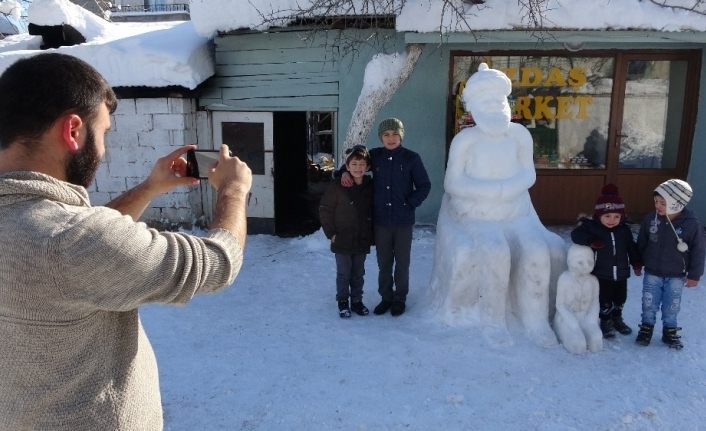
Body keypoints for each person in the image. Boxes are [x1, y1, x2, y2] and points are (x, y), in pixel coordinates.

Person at [0, 53, 252, 430]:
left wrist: (150, 187)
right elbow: (218, 261)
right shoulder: (69, 242)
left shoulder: (53, 233)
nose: (104, 150)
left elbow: (87, 237)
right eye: (103, 133)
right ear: (73, 131)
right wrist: (234, 190)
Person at [428, 63, 565, 347]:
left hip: (517, 212)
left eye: (500, 101)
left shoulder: (520, 135)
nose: (495, 107)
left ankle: (536, 320)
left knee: (538, 252)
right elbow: (452, 183)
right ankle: (493, 321)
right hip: (476, 214)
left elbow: (528, 174)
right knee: (495, 252)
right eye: (487, 102)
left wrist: (506, 191)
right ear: (475, 108)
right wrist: (493, 192)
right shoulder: (465, 141)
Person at [342, 118, 431, 316]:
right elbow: (355, 162)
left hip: (403, 221)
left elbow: (424, 186)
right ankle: (386, 297)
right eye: (386, 135)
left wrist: (410, 203)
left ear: (401, 136)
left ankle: (399, 298)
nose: (390, 138)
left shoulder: (411, 158)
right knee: (384, 262)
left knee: (402, 262)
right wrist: (342, 173)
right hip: (381, 221)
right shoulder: (375, 156)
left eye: (394, 134)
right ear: (381, 137)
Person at [635, 179, 705, 350]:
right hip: (652, 272)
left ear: (676, 203)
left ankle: (670, 330)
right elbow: (642, 242)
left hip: (676, 274)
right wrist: (637, 261)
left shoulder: (691, 224)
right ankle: (646, 327)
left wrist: (695, 275)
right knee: (649, 302)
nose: (657, 206)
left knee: (671, 305)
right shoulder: (651, 219)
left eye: (663, 203)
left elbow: (698, 251)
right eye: (656, 201)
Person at [570, 184, 642, 338]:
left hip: (622, 273)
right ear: (599, 215)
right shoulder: (593, 228)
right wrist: (591, 241)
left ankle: (617, 318)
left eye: (617, 216)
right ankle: (605, 321)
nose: (612, 220)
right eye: (607, 216)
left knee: (621, 298)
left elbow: (631, 247)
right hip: (602, 272)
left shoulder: (624, 230)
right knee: (605, 299)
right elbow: (576, 235)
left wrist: (636, 262)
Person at [319, 145, 374, 318]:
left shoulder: (370, 185)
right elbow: (325, 209)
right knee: (344, 273)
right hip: (341, 239)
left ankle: (357, 301)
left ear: (367, 167)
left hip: (361, 238)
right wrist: (331, 234)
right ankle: (343, 302)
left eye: (362, 164)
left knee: (358, 273)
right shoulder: (338, 186)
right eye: (354, 164)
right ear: (347, 167)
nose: (358, 168)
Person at [553, 244, 603, 354]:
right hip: (568, 318)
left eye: (589, 262)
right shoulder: (565, 279)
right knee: (578, 345)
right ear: (571, 261)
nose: (586, 266)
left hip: (586, 317)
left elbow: (595, 303)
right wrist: (573, 325)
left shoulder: (593, 281)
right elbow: (560, 305)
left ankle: (586, 330)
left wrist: (592, 322)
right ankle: (565, 331)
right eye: (580, 262)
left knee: (596, 341)